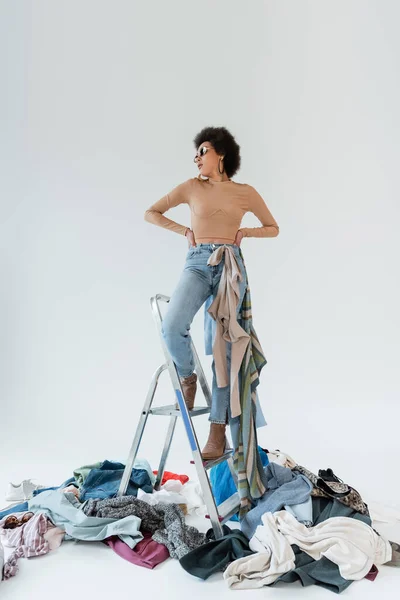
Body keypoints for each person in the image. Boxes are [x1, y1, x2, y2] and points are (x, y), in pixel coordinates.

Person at [144, 126, 279, 467]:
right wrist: (185, 231)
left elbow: (273, 227)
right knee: (173, 324)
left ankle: (217, 433)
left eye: (202, 151)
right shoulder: (191, 187)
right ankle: (188, 377)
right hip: (198, 263)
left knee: (226, 351)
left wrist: (244, 232)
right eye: (196, 153)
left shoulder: (244, 192)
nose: (197, 157)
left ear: (221, 154)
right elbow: (152, 212)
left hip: (231, 267)